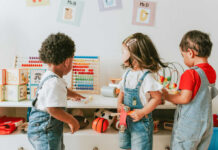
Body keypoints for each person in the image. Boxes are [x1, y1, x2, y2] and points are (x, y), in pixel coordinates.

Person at [27, 33, 85, 150]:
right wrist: (71, 120)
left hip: (44, 128)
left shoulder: (50, 76)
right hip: (45, 131)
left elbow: (61, 90)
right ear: (67, 61)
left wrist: (73, 94)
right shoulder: (55, 82)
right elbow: (53, 109)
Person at [163, 30, 218, 150]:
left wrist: (165, 95)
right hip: (206, 124)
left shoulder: (190, 74)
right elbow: (201, 95)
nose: (183, 59)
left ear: (190, 53)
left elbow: (184, 99)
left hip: (189, 127)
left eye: (183, 55)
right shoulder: (212, 72)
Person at [117, 32, 166, 150]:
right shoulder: (127, 73)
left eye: (124, 52)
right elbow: (122, 91)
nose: (122, 54)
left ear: (134, 55)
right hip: (125, 120)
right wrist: (119, 103)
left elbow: (157, 98)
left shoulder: (147, 77)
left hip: (141, 123)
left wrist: (143, 112)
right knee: (125, 146)